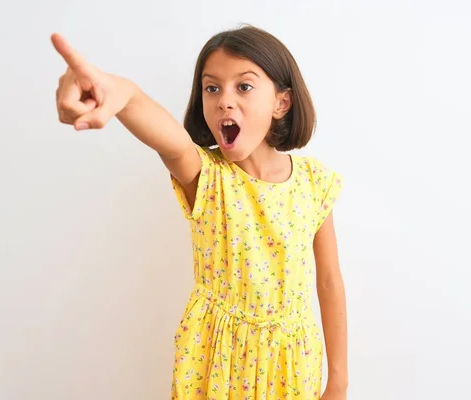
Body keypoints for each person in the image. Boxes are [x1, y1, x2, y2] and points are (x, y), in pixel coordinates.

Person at [51, 25, 348, 400]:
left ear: (281, 103)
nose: (224, 100)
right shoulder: (206, 177)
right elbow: (163, 132)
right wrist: (118, 91)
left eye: (244, 86)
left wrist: (338, 381)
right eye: (212, 88)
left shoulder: (314, 182)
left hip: (292, 361)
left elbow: (329, 282)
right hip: (217, 359)